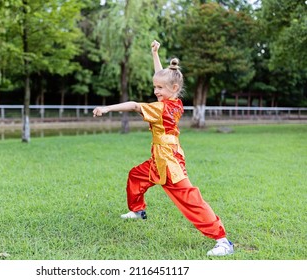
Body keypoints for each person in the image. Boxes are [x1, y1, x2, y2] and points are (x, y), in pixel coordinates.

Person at [92, 40, 234, 257]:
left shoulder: (161, 109)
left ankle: (222, 240)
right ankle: (138, 210)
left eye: (159, 88)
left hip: (168, 163)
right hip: (161, 157)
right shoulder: (175, 101)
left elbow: (133, 105)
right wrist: (155, 54)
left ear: (173, 88)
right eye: (154, 87)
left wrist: (107, 108)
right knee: (136, 176)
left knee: (189, 197)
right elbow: (162, 76)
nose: (156, 91)